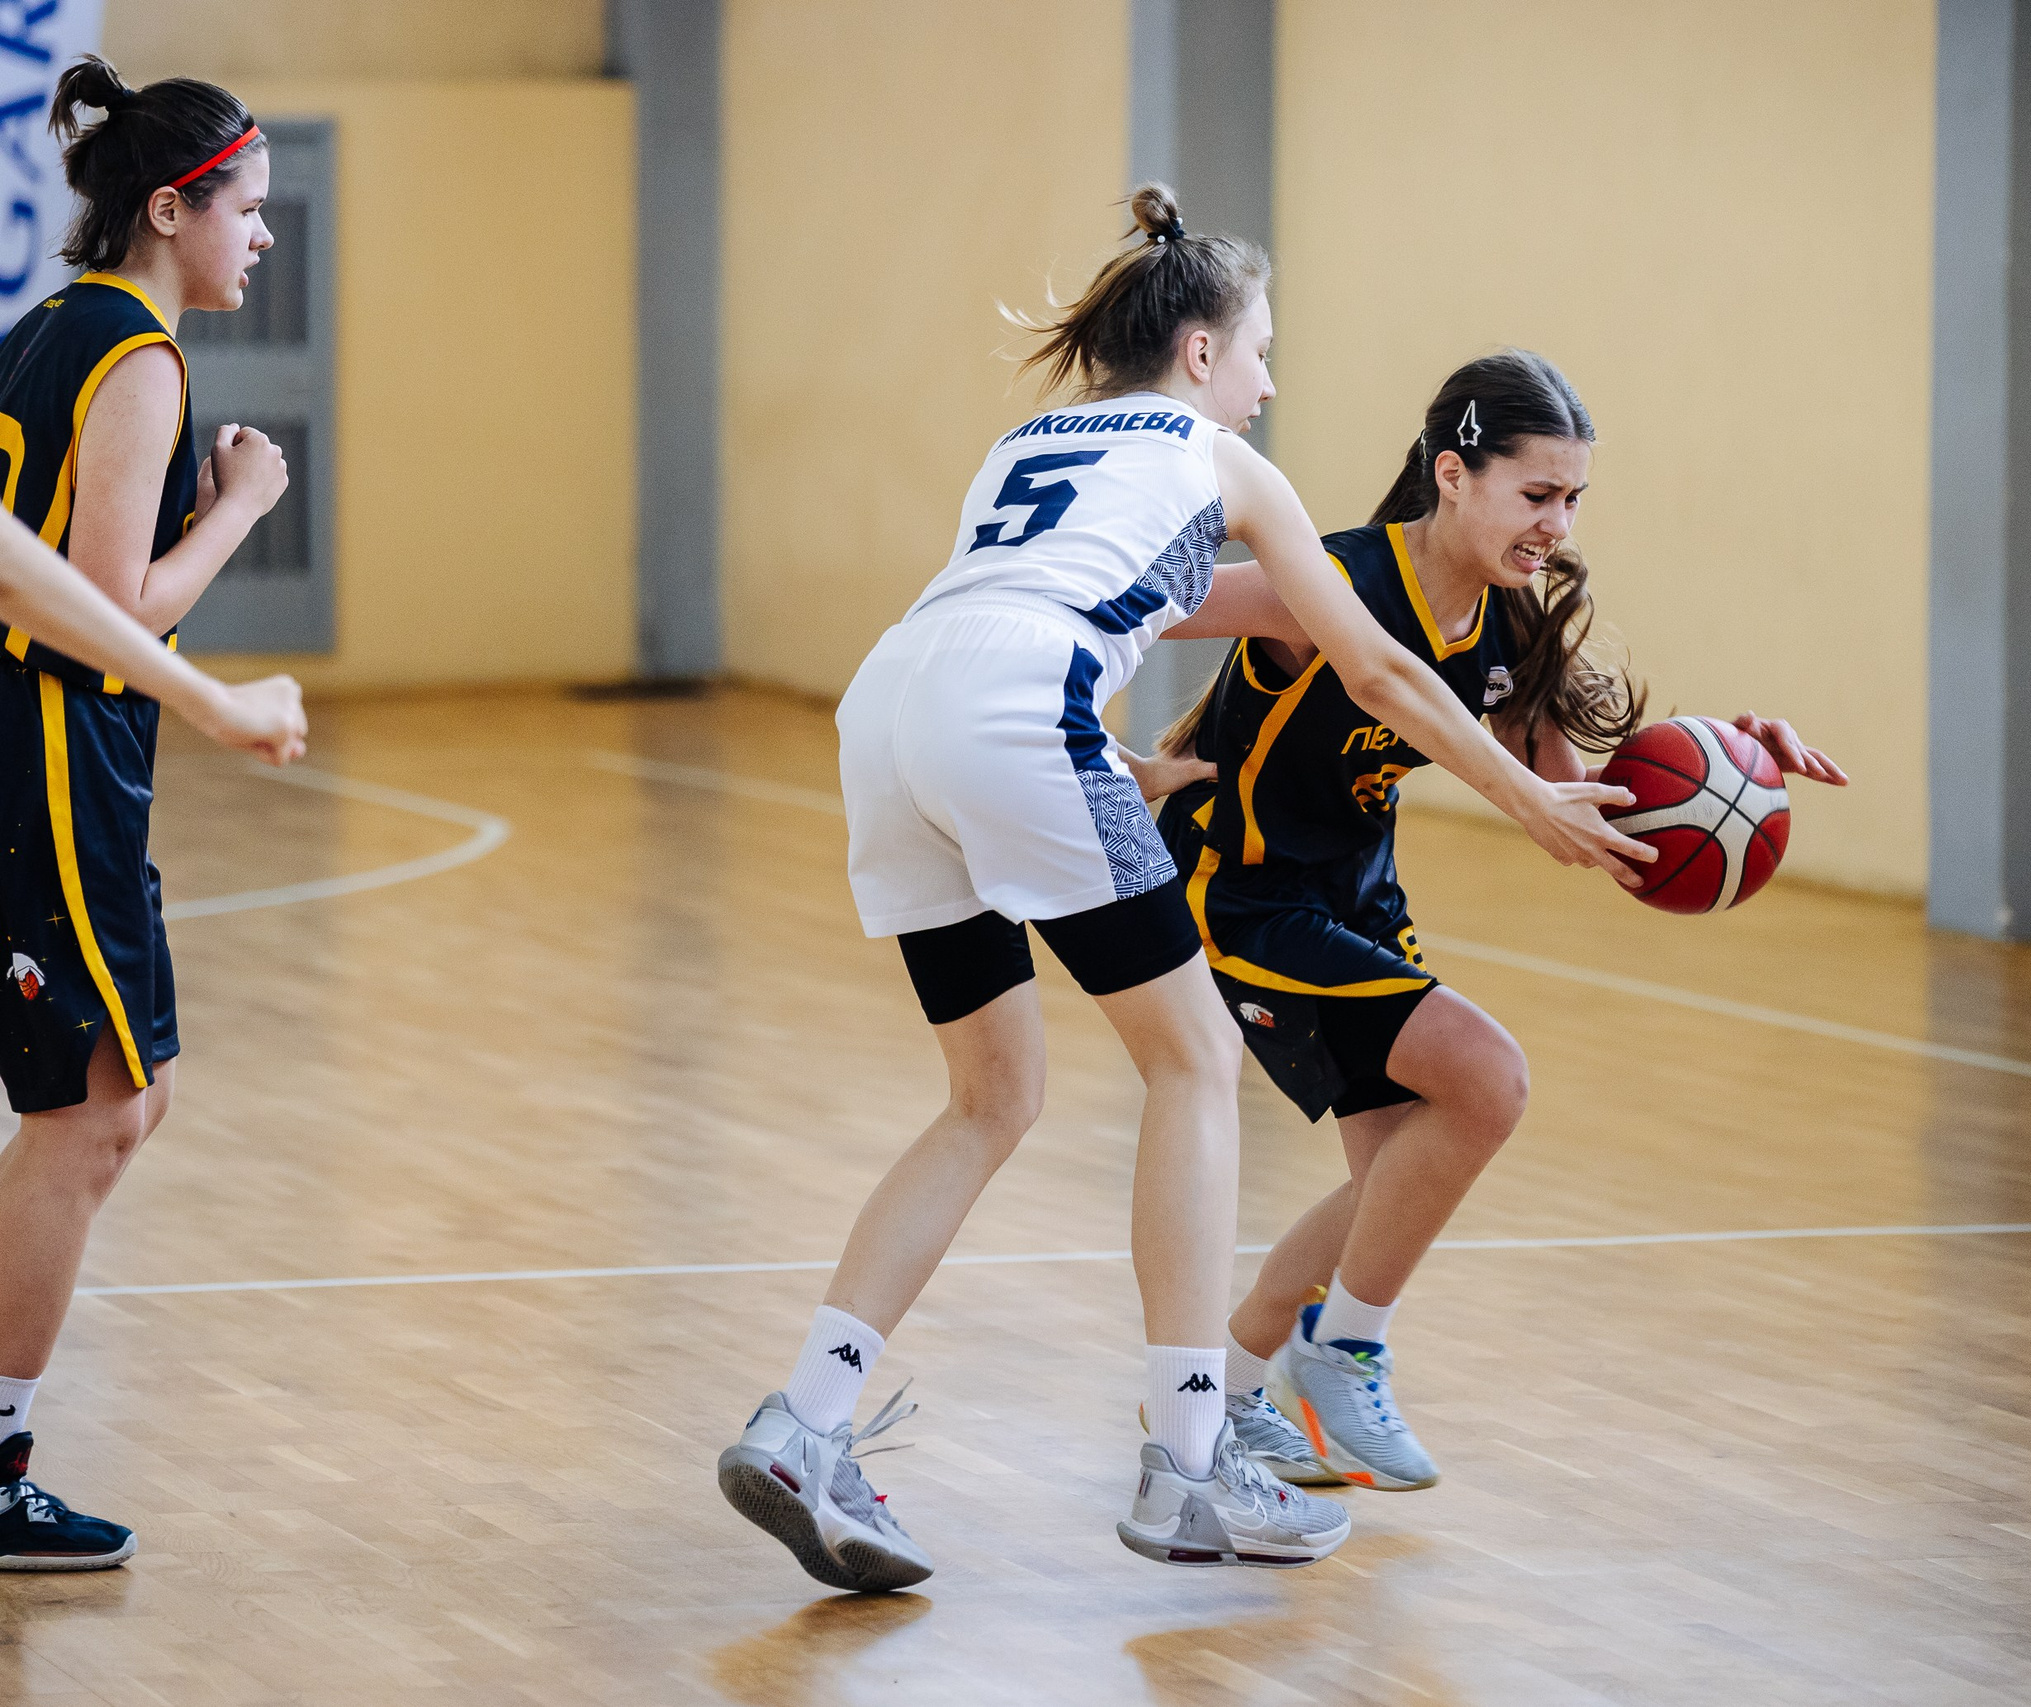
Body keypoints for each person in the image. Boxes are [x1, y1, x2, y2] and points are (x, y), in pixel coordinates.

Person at [718, 190, 1655, 1591]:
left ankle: (807, 1420)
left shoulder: (1025, 441)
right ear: (1203, 353)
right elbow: (1380, 670)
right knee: (1195, 1058)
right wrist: (1523, 797)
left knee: (990, 1097)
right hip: (1021, 712)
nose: (1272, 381)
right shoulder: (1224, 461)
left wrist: (1120, 769)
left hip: (893, 705)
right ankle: (1195, 1456)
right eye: (1264, 350)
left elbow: (1052, 605)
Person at [1155, 350, 1847, 1493]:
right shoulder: (1327, 585)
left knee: (1389, 1183)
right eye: (1537, 495)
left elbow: (1581, 809)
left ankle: (1231, 1393)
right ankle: (1342, 1353)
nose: (1557, 524)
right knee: (1488, 1080)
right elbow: (1134, 605)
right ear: (1453, 476)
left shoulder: (1508, 625)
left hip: (1358, 901)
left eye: (1573, 498)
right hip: (1244, 894)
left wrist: (1729, 768)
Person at [0, 55, 306, 1573]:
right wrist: (236, 517)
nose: (264, 235)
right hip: (53, 752)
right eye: (247, 209)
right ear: (172, 208)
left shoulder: (47, 326)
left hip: (62, 756)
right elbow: (95, 619)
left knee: (121, 1099)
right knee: (96, 1105)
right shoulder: (136, 354)